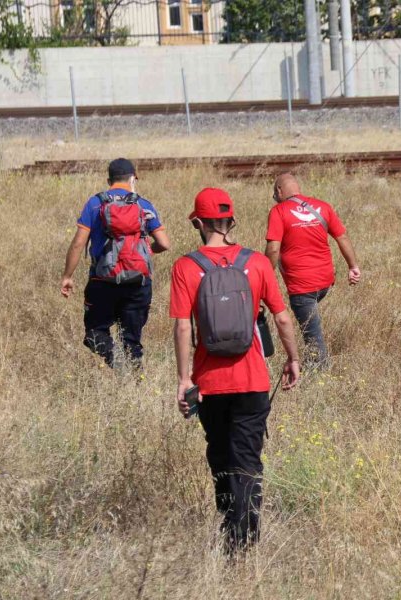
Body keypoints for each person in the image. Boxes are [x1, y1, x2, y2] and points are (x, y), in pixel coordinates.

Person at [170, 187, 300, 555]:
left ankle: (230, 531)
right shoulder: (256, 262)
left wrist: (184, 379)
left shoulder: (186, 266)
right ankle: (246, 543)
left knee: (221, 457)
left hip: (209, 385)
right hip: (252, 382)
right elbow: (282, 318)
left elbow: (182, 326)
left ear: (198, 223)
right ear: (231, 221)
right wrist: (292, 359)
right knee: (247, 460)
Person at [60, 158, 170, 368]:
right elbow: (164, 243)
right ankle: (135, 379)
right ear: (133, 178)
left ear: (109, 180)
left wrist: (67, 276)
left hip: (102, 281)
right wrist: (146, 251)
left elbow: (78, 244)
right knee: (132, 342)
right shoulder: (143, 204)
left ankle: (115, 360)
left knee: (94, 333)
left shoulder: (95, 203)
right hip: (138, 282)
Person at [264, 172, 361, 369]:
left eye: (275, 193)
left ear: (279, 191)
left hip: (302, 287)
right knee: (311, 324)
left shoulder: (278, 211)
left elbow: (273, 249)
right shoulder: (322, 206)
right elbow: (342, 237)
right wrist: (353, 266)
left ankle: (319, 371)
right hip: (325, 282)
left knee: (313, 340)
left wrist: (264, 276)